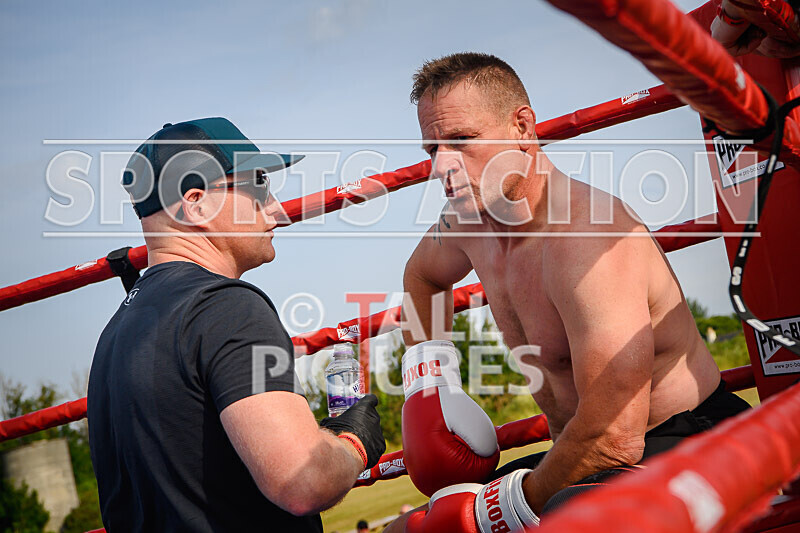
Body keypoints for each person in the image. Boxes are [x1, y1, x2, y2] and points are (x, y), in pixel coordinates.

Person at [388, 53, 750, 531]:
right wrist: (429, 380)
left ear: (522, 127)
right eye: (431, 148)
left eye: (461, 140)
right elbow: (422, 277)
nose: (440, 167)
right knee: (407, 528)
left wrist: (489, 515)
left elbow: (615, 439)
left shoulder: (585, 239)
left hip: (684, 440)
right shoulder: (467, 222)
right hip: (584, 460)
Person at [88, 118, 385, 532]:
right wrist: (353, 442)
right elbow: (303, 481)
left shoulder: (115, 332)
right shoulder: (225, 307)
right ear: (198, 204)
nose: (278, 210)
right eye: (259, 184)